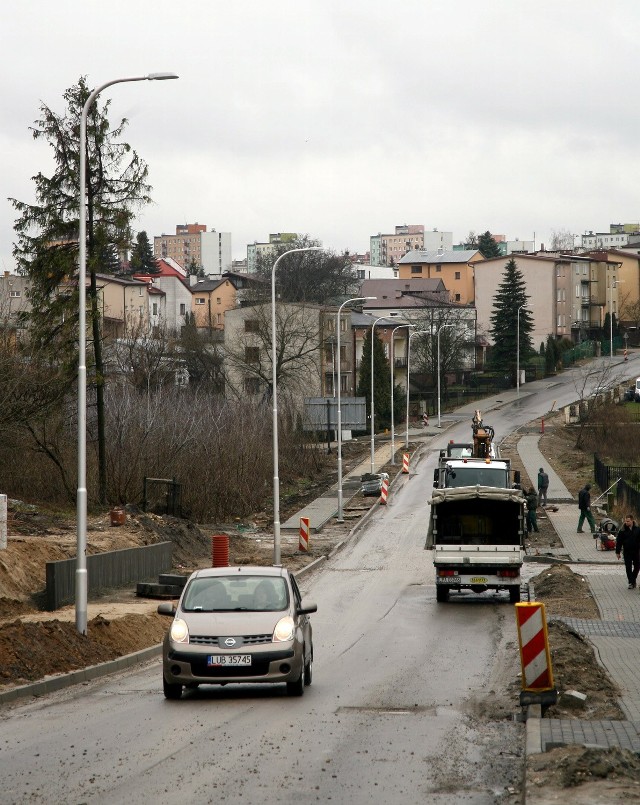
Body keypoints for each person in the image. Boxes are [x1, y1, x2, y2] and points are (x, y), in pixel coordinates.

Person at [615, 514, 640, 589]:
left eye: (628, 521)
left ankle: (633, 579)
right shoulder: (622, 530)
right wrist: (617, 552)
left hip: (636, 551)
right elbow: (619, 542)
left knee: (637, 566)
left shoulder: (637, 529)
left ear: (632, 521)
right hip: (627, 551)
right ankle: (631, 582)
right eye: (625, 521)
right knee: (628, 567)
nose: (626, 522)